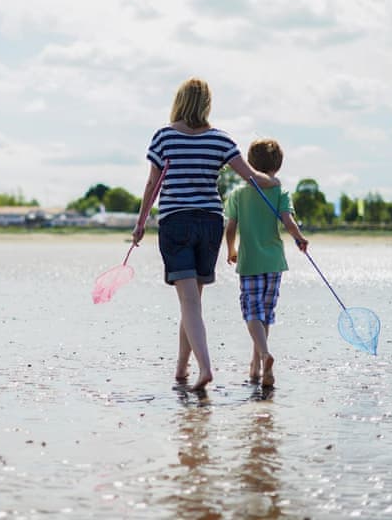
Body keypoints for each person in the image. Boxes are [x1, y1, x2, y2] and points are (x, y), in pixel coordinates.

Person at [132, 78, 280, 392]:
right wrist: (273, 182)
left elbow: (152, 185)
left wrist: (140, 222)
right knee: (193, 302)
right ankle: (181, 368)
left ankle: (204, 368)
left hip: (177, 222)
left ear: (180, 101)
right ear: (207, 104)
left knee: (189, 302)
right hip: (210, 222)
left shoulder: (164, 136)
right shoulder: (220, 140)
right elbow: (252, 177)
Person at [225, 138, 308, 388]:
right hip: (274, 261)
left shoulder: (238, 194)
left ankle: (262, 355)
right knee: (265, 314)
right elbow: (288, 222)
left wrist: (231, 249)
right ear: (278, 165)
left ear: (250, 164)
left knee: (252, 312)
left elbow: (230, 227)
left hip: (250, 261)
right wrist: (300, 239)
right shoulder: (280, 192)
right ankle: (257, 367)